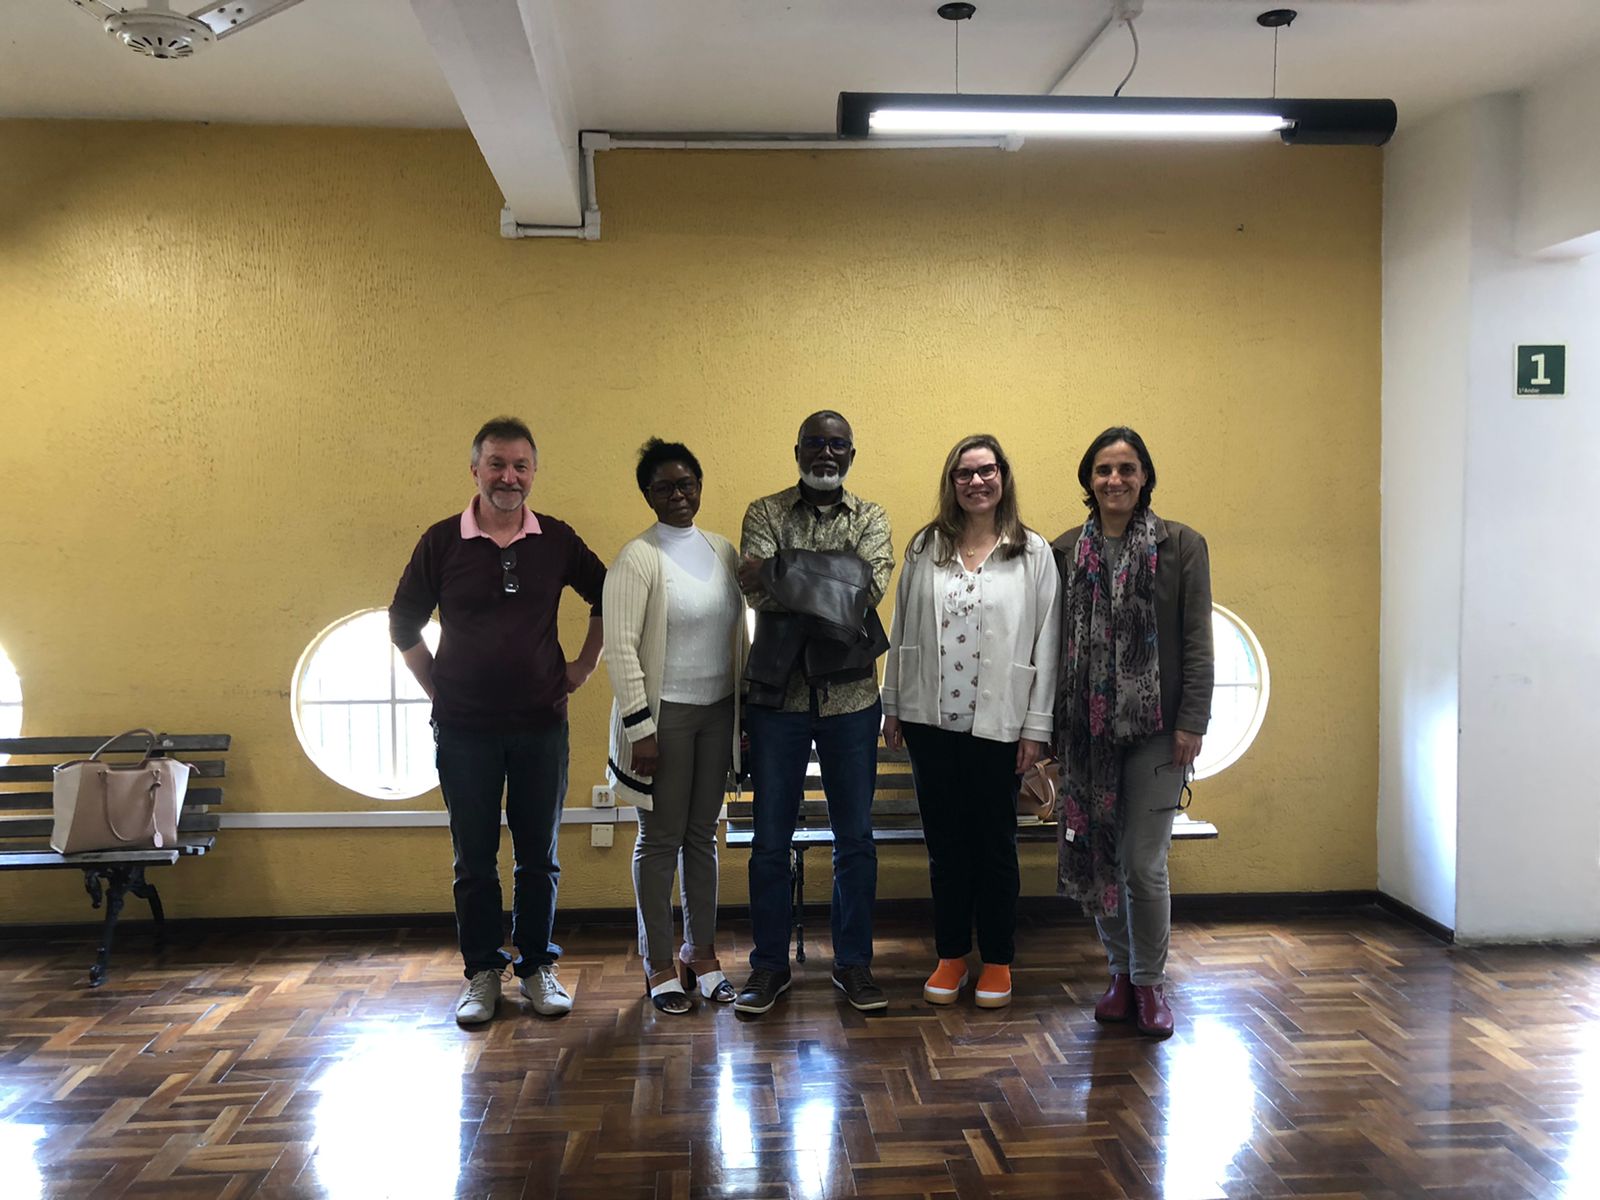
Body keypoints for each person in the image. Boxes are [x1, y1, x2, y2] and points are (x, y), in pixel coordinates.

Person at [389, 417, 606, 1026]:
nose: (508, 477)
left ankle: (536, 967)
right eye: (496, 464)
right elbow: (403, 620)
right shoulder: (441, 541)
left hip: (541, 725)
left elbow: (610, 594)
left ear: (533, 473)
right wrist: (438, 689)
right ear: (475, 470)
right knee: (474, 860)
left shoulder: (556, 539)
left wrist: (583, 667)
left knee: (539, 857)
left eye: (520, 466)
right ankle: (483, 972)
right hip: (465, 732)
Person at [881, 434, 1059, 1010]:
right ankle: (952, 955)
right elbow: (902, 629)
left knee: (995, 846)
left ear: (1003, 476)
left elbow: (1047, 642)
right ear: (951, 482)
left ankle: (999, 961)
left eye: (986, 471)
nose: (976, 482)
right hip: (930, 723)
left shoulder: (1031, 552)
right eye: (964, 473)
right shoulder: (926, 546)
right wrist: (892, 705)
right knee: (945, 846)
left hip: (1000, 726)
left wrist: (1036, 727)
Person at [1053, 426, 1212, 1039]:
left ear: (1145, 477)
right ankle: (1118, 974)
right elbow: (1052, 644)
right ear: (1088, 480)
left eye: (1126, 468)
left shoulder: (1182, 545)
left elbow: (1197, 641)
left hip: (1158, 731)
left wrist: (1192, 721)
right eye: (1103, 470)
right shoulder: (1065, 551)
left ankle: (1149, 983)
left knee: (1142, 864)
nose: (1114, 479)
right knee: (1099, 858)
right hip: (1086, 734)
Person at [734, 410, 894, 1015]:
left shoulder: (872, 517)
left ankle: (853, 964)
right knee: (769, 840)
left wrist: (781, 571)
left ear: (851, 454)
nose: (826, 453)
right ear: (797, 449)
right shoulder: (764, 510)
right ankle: (769, 967)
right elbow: (752, 588)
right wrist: (833, 582)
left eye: (837, 444)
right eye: (815, 443)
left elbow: (865, 592)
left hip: (852, 700)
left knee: (856, 839)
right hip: (778, 699)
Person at [603, 439, 745, 1015]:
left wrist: (742, 717)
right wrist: (641, 728)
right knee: (661, 839)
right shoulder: (638, 558)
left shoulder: (723, 550)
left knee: (702, 836)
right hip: (662, 717)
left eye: (687, 483)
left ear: (700, 485)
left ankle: (700, 952)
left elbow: (739, 633)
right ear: (648, 494)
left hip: (718, 711)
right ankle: (659, 962)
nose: (678, 495)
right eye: (664, 487)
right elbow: (620, 648)